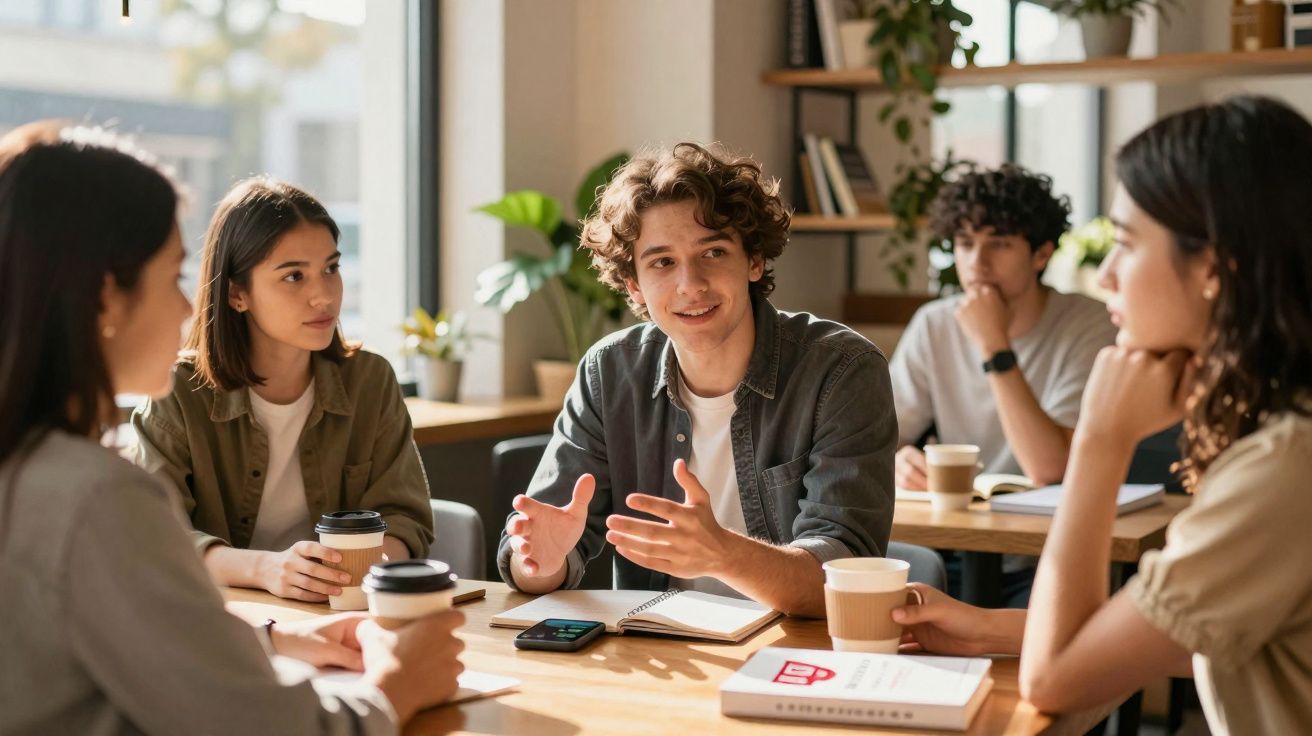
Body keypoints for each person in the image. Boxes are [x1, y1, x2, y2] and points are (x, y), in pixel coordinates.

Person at [0, 122, 463, 733]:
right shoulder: (98, 497)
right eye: (171, 278)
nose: (187, 308)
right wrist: (395, 687)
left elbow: (139, 631)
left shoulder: (33, 469)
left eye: (331, 267)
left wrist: (276, 636)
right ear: (105, 299)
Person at [890, 96, 1312, 734]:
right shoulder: (1283, 432)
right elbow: (1168, 633)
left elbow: (1055, 680)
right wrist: (982, 628)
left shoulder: (1283, 467)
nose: (1108, 275)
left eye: (1126, 244)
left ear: (1214, 269)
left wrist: (1098, 441)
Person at [496, 142, 897, 616]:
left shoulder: (841, 370)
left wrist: (722, 553)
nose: (691, 284)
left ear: (754, 261)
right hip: (661, 654)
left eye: (712, 252)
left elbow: (845, 575)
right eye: (662, 262)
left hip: (793, 654)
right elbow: (536, 559)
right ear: (634, 284)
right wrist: (540, 561)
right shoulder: (609, 373)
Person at [132, 177, 433, 603]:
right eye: (294, 276)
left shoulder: (370, 380)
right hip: (224, 616)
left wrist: (349, 573)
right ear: (237, 293)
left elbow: (405, 518)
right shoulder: (178, 390)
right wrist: (266, 569)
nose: (323, 296)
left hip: (343, 610)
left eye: (331, 268)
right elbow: (156, 537)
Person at [891, 164, 1116, 491]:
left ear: (1041, 255)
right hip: (956, 521)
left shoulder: (1090, 324)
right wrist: (899, 460)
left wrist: (993, 344)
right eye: (965, 244)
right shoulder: (934, 324)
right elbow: (875, 440)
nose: (976, 263)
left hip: (1048, 525)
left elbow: (1051, 469)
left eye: (999, 245)